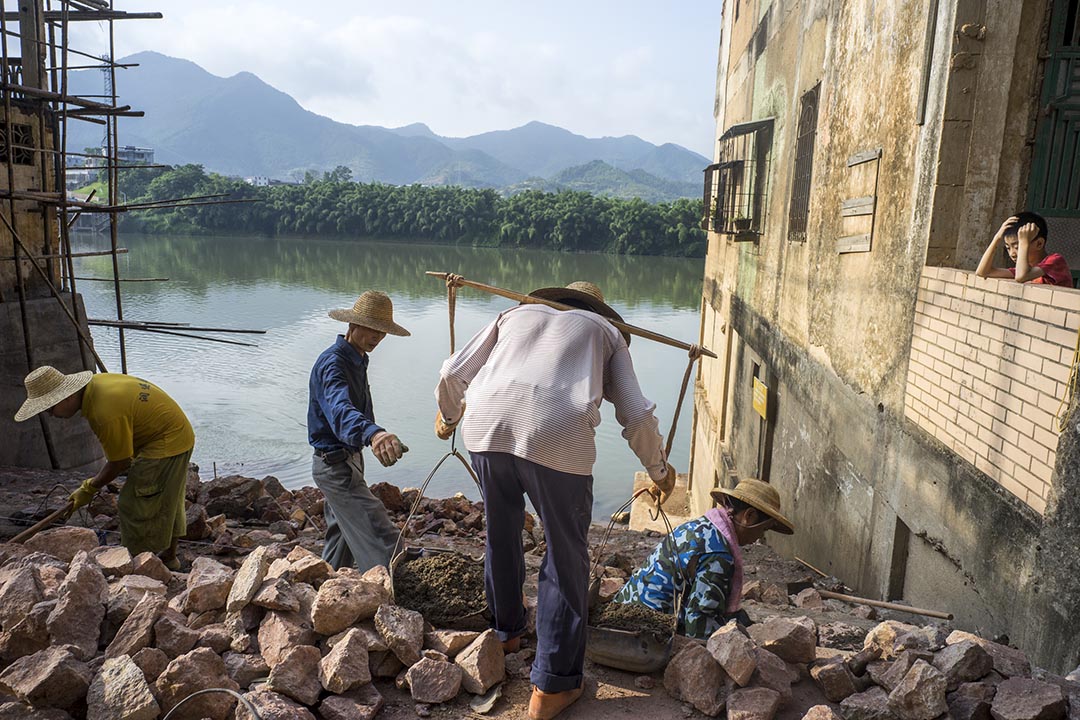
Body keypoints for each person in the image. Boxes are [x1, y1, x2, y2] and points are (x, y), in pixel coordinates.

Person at [434, 281, 675, 720]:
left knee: (501, 533)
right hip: (557, 436)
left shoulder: (514, 315)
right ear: (596, 308)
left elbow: (453, 374)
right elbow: (636, 415)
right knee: (565, 557)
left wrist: (449, 417)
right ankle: (552, 685)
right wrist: (660, 470)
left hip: (486, 425)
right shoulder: (606, 332)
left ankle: (505, 631)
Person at [15, 366, 195, 569]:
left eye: (49, 409)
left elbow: (120, 462)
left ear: (64, 397)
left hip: (166, 442)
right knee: (168, 498)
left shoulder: (103, 412)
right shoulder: (96, 384)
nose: (51, 415)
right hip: (176, 433)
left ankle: (137, 566)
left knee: (134, 504)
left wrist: (89, 488)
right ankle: (169, 559)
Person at [613, 478, 794, 639]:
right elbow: (699, 623)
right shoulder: (718, 554)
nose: (760, 536)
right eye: (763, 529)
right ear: (749, 516)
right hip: (641, 630)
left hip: (624, 609)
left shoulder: (700, 526)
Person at [308, 290, 409, 572]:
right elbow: (340, 411)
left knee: (340, 539)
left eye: (383, 332)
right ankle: (401, 592)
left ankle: (323, 589)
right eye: (372, 329)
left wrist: (371, 436)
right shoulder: (334, 364)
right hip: (335, 465)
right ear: (353, 325)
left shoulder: (356, 358)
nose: (377, 337)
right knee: (378, 530)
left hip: (348, 460)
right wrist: (374, 433)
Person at [975, 212, 1071, 286]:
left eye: (1017, 247)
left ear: (1039, 244)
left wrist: (1024, 242)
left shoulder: (1055, 261)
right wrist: (996, 238)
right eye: (1008, 248)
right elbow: (982, 272)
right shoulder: (1025, 268)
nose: (1012, 253)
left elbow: (1021, 277)